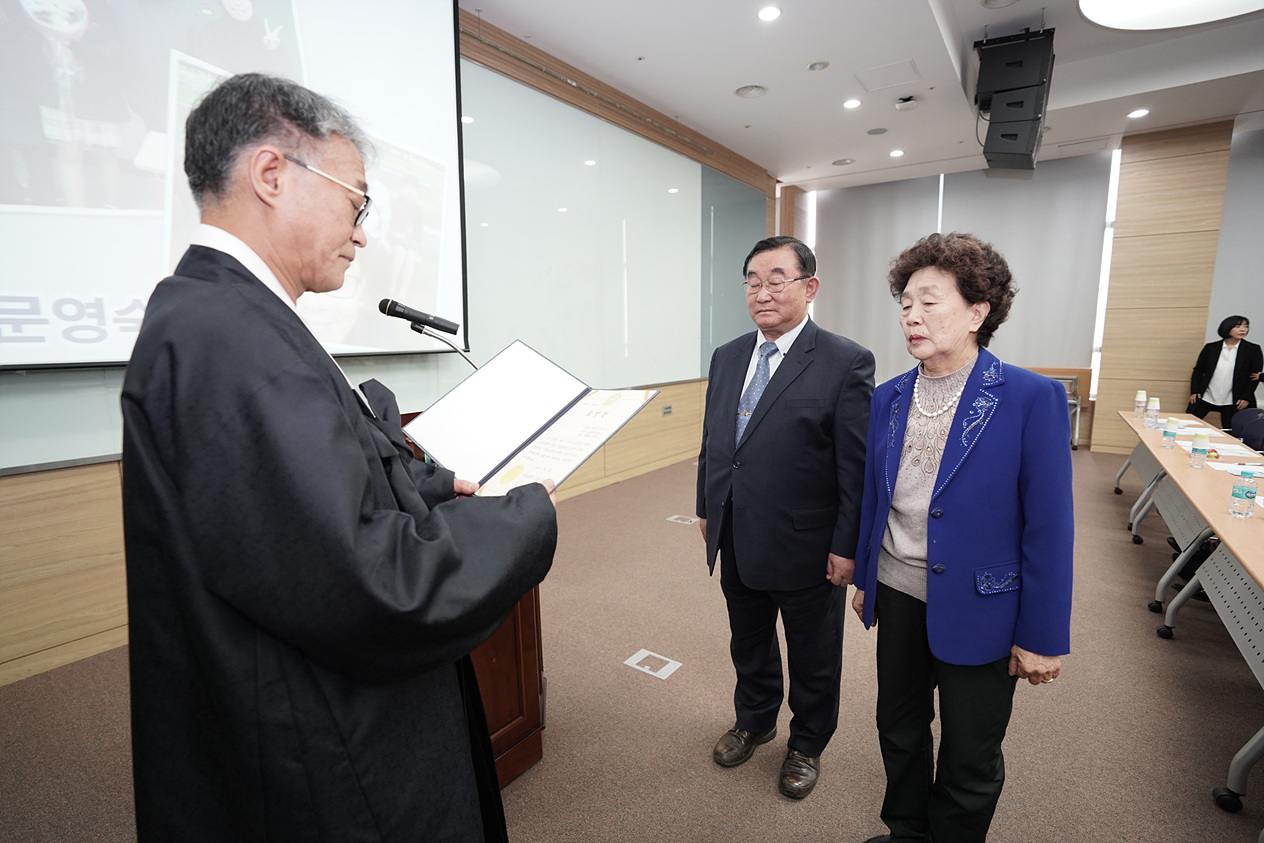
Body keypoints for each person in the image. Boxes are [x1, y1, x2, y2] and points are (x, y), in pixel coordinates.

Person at [120, 73, 558, 842]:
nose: (363, 231)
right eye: (357, 201)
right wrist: (526, 516)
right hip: (322, 752)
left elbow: (298, 489)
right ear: (270, 174)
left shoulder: (225, 314)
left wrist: (427, 480)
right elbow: (367, 580)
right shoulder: (231, 337)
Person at [852, 232, 1074, 843]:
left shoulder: (1031, 398)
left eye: (930, 302)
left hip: (985, 605)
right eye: (905, 304)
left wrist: (1042, 636)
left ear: (978, 313)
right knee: (897, 727)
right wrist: (869, 577)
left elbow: (1051, 528)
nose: (911, 316)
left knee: (970, 751)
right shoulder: (889, 397)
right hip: (898, 591)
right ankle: (905, 831)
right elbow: (879, 496)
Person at [696, 235, 875, 799]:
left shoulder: (845, 360)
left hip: (808, 541)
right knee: (747, 638)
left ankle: (807, 742)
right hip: (735, 529)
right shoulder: (727, 356)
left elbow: (856, 466)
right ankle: (754, 718)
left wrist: (847, 546)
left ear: (809, 287)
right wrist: (706, 506)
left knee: (813, 651)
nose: (762, 291)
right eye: (752, 280)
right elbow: (715, 441)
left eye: (777, 279)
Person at [1186, 315, 1261, 430]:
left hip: (1234, 398)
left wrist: (1246, 397)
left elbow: (1254, 377)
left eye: (1246, 327)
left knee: (1232, 431)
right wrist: (1195, 390)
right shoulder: (1211, 348)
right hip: (1207, 395)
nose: (1243, 330)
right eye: (1238, 326)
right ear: (1227, 328)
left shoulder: (1253, 349)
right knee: (1187, 424)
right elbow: (1198, 370)